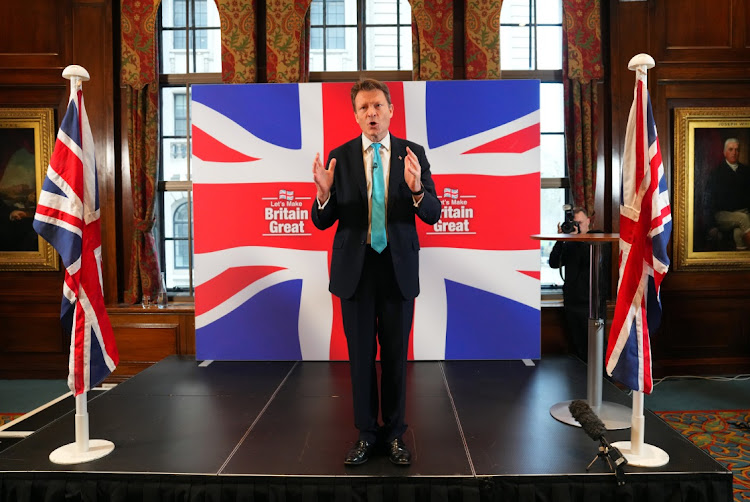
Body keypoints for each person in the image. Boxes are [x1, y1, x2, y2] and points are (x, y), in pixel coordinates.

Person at [310, 78, 441, 466]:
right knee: (362, 358)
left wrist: (417, 189)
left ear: (391, 110)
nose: (371, 113)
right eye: (364, 107)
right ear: (355, 114)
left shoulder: (412, 153)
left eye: (378, 106)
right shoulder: (341, 156)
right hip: (357, 272)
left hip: (398, 269)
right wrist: (323, 194)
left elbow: (433, 213)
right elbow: (322, 221)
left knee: (397, 358)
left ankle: (396, 435)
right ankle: (367, 435)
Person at [548, 207, 608, 363]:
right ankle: (582, 384)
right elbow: (554, 263)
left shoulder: (598, 237)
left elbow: (589, 259)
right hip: (571, 301)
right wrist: (561, 240)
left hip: (591, 303)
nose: (577, 226)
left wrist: (577, 238)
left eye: (580, 222)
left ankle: (604, 382)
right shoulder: (569, 242)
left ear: (589, 221)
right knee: (577, 348)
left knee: (595, 348)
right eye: (574, 223)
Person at [707, 138, 750, 250]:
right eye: (731, 149)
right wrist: (711, 225)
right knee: (743, 218)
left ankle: (741, 265)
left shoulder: (746, 171)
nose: (734, 153)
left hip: (743, 212)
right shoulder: (716, 173)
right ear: (724, 152)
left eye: (737, 150)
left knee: (738, 233)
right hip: (722, 215)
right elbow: (708, 201)